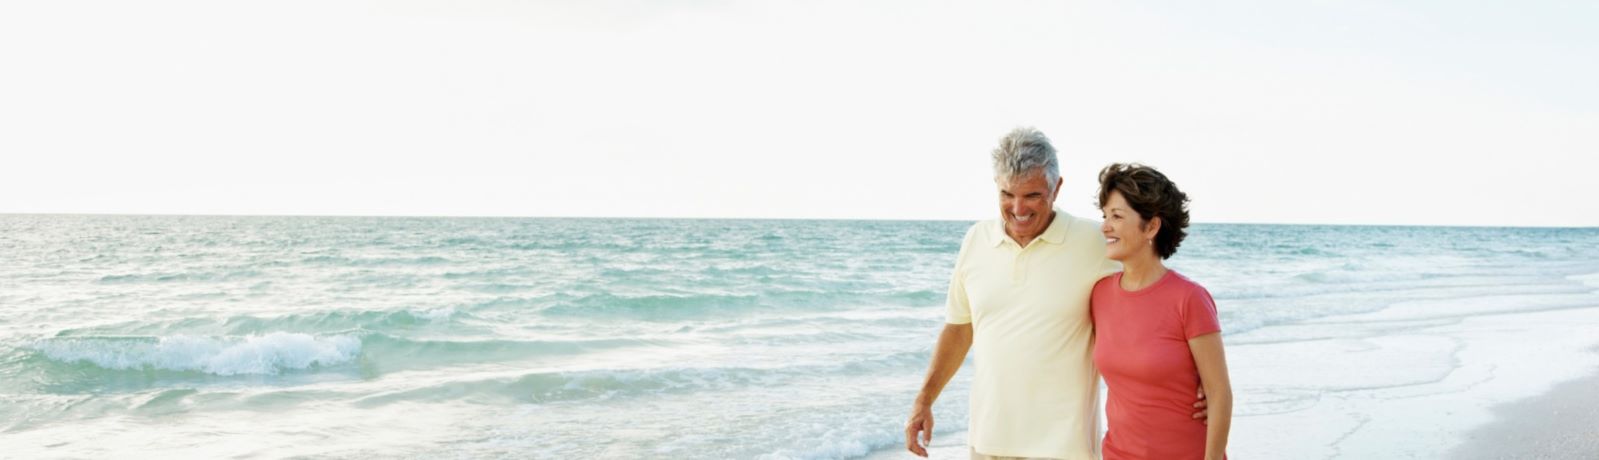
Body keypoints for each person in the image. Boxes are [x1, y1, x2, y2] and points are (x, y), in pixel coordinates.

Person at [904, 129, 1205, 460]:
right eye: (1007, 194)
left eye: (1032, 195)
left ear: (1057, 187)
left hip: (1065, 448)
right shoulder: (976, 240)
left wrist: (1195, 375)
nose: (1018, 208)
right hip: (988, 441)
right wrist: (924, 399)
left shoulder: (1094, 242)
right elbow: (959, 328)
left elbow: (1153, 293)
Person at [1090, 163, 1232, 460]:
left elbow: (1219, 395)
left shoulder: (1190, 298)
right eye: (1105, 216)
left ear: (1151, 227)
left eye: (1117, 216)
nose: (1105, 226)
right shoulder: (1099, 295)